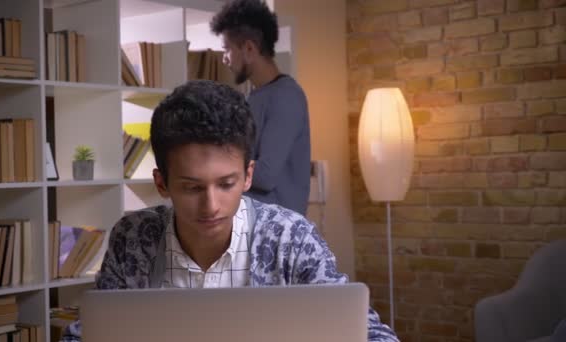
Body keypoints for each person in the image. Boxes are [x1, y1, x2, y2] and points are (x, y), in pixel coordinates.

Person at [60, 80, 398, 342]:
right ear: (162, 183)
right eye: (192, 187)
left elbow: (371, 335)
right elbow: (85, 335)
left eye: (226, 184)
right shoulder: (133, 237)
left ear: (248, 175)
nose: (211, 206)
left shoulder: (290, 237)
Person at [210, 0, 311, 215]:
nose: (224, 59)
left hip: (278, 234)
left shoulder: (287, 96)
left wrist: (213, 164)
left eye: (227, 49)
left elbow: (265, 175)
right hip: (251, 227)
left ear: (249, 49)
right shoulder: (251, 98)